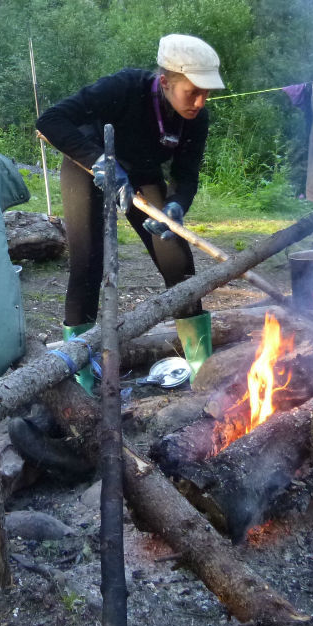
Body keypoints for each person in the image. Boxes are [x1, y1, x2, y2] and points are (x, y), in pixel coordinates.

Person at [36, 33, 224, 386]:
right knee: (88, 265)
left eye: (206, 93)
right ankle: (82, 379)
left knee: (178, 261)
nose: (200, 101)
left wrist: (176, 205)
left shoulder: (195, 119)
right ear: (166, 82)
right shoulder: (123, 87)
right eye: (193, 91)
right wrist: (98, 160)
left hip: (141, 174)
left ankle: (202, 370)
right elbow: (50, 120)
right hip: (87, 166)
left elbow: (186, 175)